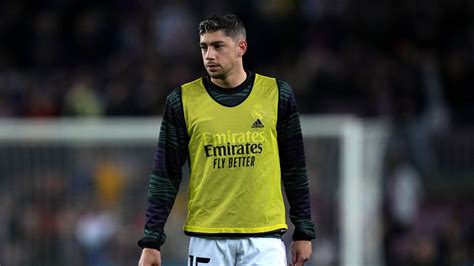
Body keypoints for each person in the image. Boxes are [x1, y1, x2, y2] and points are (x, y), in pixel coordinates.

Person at [138, 13, 315, 266]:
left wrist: (304, 231)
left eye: (218, 46)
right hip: (208, 239)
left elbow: (294, 168)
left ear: (241, 47)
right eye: (204, 47)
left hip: (264, 239)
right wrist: (151, 241)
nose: (209, 55)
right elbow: (165, 175)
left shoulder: (277, 94)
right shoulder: (182, 101)